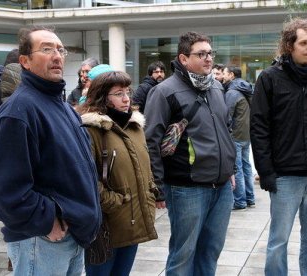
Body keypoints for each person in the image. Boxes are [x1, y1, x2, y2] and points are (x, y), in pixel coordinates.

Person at [0, 26, 101, 275]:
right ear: (25, 61)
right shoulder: (19, 110)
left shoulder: (61, 106)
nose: (57, 55)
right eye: (46, 49)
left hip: (71, 236)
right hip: (42, 240)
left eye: (60, 49)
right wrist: (46, 221)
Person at [250, 18, 307, 275]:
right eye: (304, 42)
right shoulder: (269, 79)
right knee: (278, 241)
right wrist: (266, 171)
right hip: (284, 177)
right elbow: (259, 129)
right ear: (289, 45)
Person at [144, 31, 236, 276]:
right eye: (201, 54)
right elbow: (151, 141)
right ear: (184, 59)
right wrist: (158, 186)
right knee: (183, 255)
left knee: (211, 251)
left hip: (222, 186)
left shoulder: (216, 87)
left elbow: (226, 130)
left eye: (210, 53)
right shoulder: (164, 91)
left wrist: (231, 169)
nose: (208, 59)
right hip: (186, 187)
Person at [77, 70, 158, 276]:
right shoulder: (91, 129)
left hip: (134, 219)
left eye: (127, 92)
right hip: (107, 224)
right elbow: (84, 178)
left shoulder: (134, 126)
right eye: (119, 93)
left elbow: (144, 168)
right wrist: (113, 201)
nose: (126, 98)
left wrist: (150, 193)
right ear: (103, 97)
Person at [223, 65, 255, 210]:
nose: (223, 76)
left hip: (235, 135)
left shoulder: (232, 92)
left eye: (224, 73)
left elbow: (226, 116)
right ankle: (250, 198)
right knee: (246, 166)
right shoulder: (246, 89)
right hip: (246, 134)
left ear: (231, 75)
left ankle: (240, 201)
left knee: (238, 168)